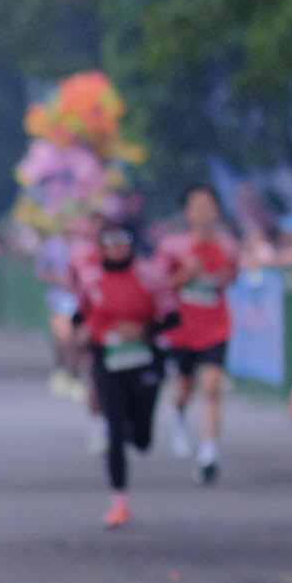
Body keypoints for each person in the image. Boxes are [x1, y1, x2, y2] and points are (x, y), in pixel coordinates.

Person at [77, 217, 170, 531]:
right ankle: (118, 501)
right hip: (108, 362)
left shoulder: (151, 276)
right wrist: (82, 334)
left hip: (145, 361)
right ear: (101, 246)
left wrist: (143, 330)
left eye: (122, 240)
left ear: (132, 243)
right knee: (114, 431)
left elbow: (172, 317)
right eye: (110, 242)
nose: (116, 247)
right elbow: (79, 315)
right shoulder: (91, 279)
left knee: (141, 437)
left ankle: (135, 432)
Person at [156, 183, 237, 482]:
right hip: (182, 327)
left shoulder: (227, 246)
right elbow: (160, 284)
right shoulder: (172, 246)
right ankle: (178, 414)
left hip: (215, 325)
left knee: (212, 387)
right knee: (185, 386)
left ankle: (208, 454)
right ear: (187, 212)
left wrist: (222, 278)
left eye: (208, 206)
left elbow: (233, 275)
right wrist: (186, 275)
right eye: (196, 206)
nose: (203, 212)